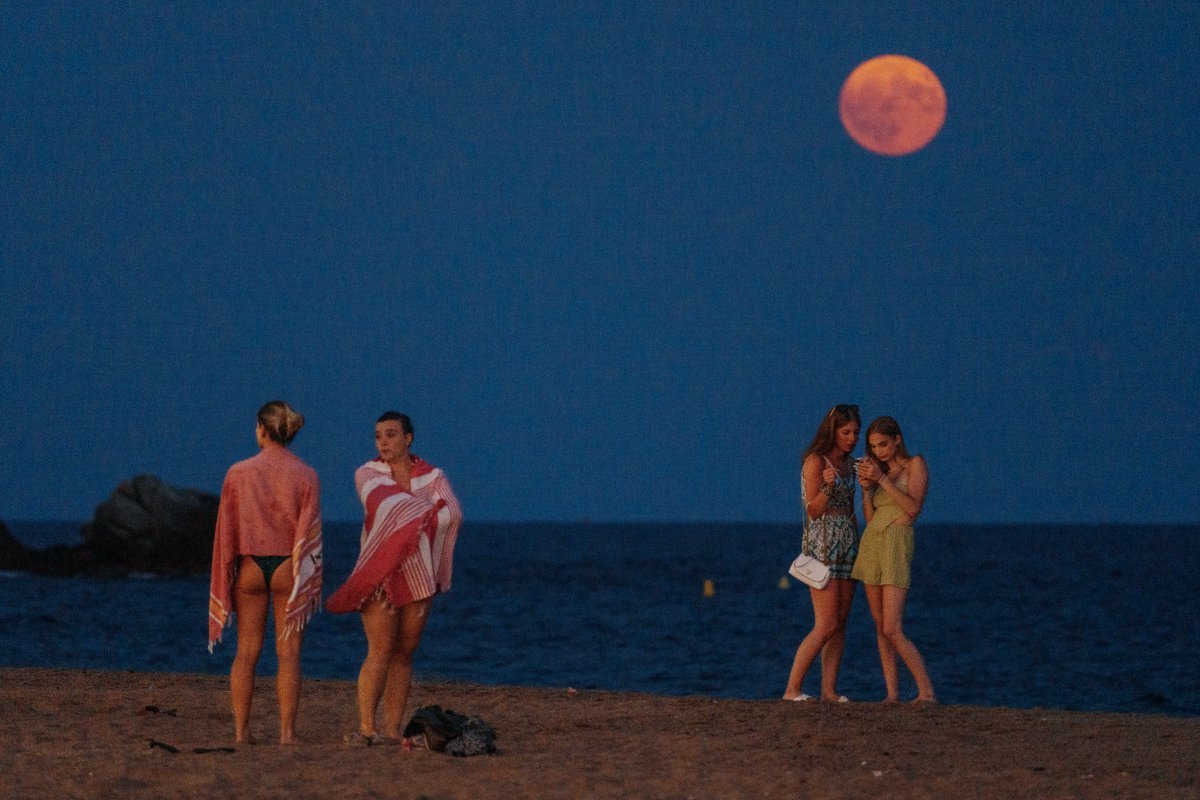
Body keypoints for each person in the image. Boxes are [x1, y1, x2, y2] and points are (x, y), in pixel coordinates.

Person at [326, 411, 463, 746]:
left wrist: (423, 517)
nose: (383, 442)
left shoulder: (433, 475)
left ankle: (391, 730)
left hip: (419, 574)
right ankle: (367, 726)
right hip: (380, 573)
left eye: (390, 434)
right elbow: (391, 506)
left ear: (408, 438)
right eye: (378, 436)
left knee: (405, 652)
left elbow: (453, 512)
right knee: (380, 650)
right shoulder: (367, 473)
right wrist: (425, 513)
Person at [208, 400, 323, 744]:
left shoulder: (238, 472)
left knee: (246, 652)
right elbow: (309, 533)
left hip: (250, 567)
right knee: (288, 653)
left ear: (261, 429)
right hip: (288, 565)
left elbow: (226, 532)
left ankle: (242, 733)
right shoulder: (307, 474)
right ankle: (287, 733)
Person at [852, 416, 937, 703]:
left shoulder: (915, 465)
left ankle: (926, 691)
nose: (879, 451)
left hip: (897, 544)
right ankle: (892, 694)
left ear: (897, 439)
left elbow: (913, 508)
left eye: (884, 444)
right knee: (880, 627)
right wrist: (866, 489)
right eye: (874, 446)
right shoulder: (879, 471)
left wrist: (882, 479)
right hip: (873, 541)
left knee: (892, 627)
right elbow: (871, 517)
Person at [783, 403, 862, 702]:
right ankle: (792, 689)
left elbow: (853, 510)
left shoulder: (851, 466)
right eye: (846, 432)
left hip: (848, 547)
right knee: (825, 623)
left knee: (840, 624)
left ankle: (828, 690)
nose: (852, 438)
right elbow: (813, 510)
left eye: (855, 432)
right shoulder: (816, 462)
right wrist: (828, 488)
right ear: (833, 431)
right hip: (823, 546)